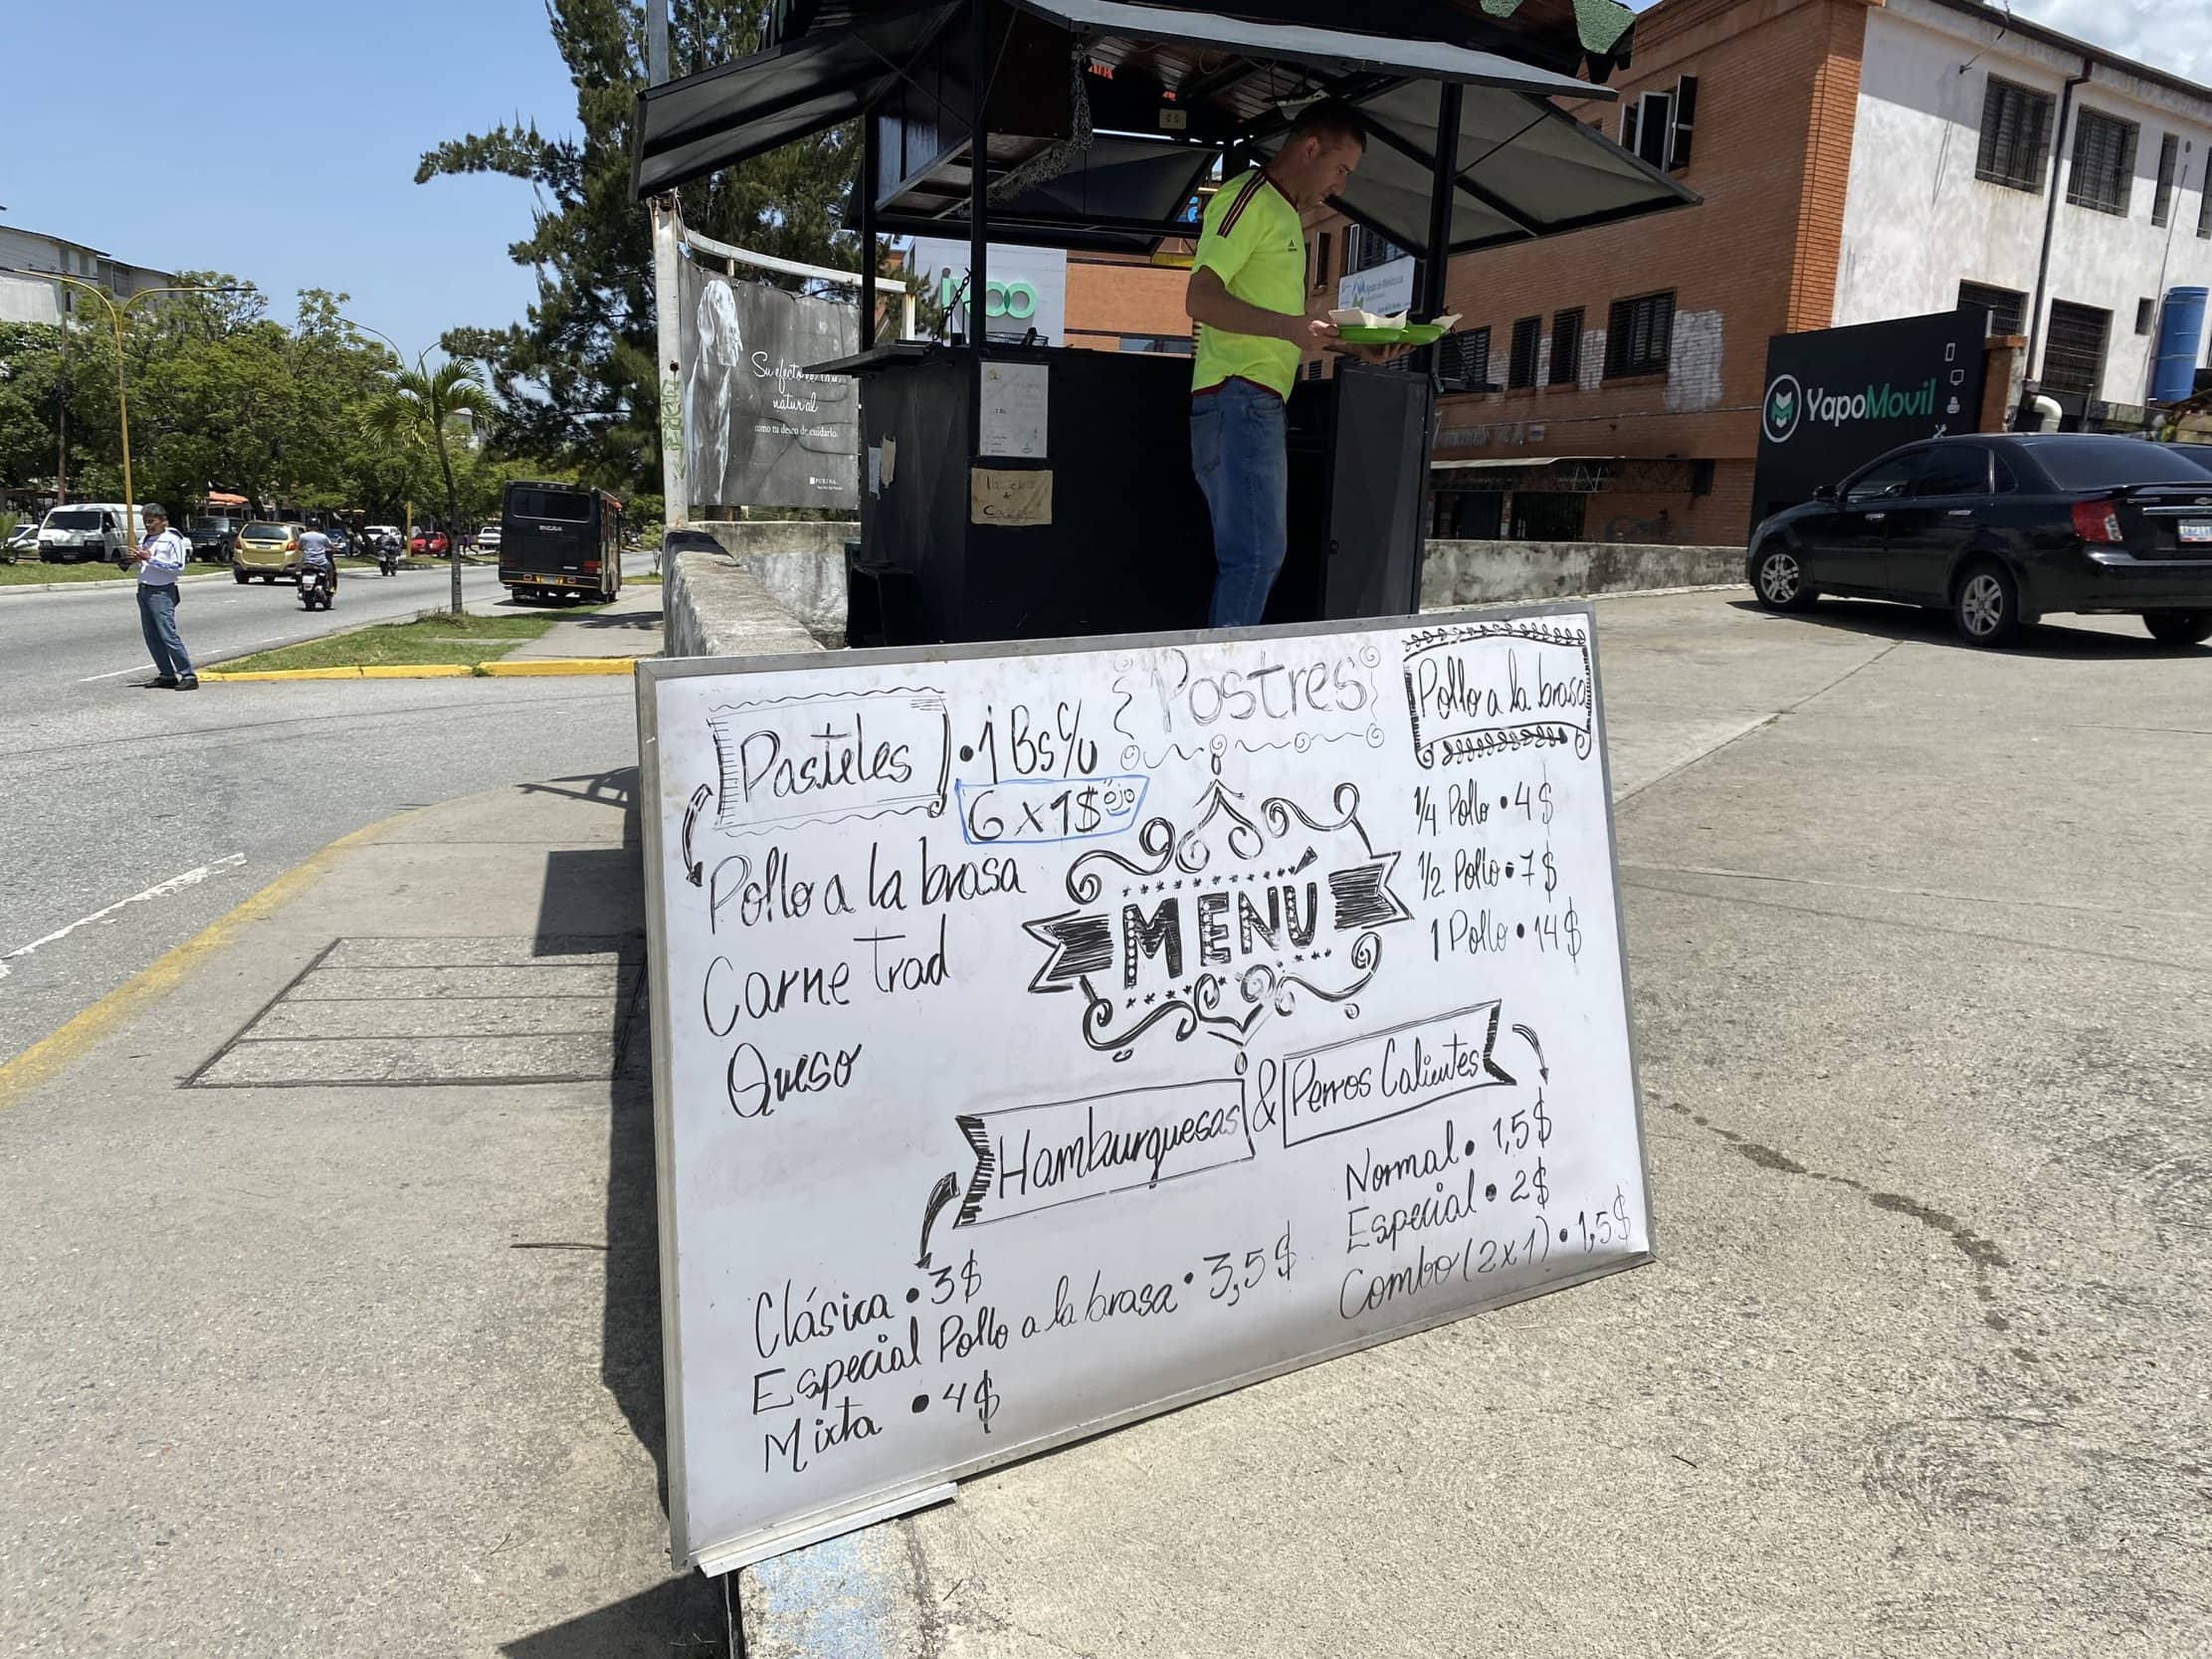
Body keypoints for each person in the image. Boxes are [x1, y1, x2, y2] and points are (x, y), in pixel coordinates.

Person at [1184, 100, 1384, 629]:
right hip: (1238, 399)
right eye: (1341, 168)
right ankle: (1224, 692)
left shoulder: (1282, 214)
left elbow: (1285, 327)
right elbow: (1199, 299)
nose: (1340, 186)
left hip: (1243, 402)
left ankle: (1221, 685)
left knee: (1252, 558)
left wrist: (1353, 345)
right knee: (1254, 558)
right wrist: (1289, 326)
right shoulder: (1248, 199)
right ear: (1310, 147)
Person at [127, 504, 196, 690]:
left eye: (152, 521)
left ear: (163, 521)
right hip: (144, 590)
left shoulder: (172, 540)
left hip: (162, 592)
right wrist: (135, 560)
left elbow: (178, 567)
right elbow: (143, 564)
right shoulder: (146, 539)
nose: (149, 525)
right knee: (152, 636)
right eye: (145, 521)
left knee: (168, 635)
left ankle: (188, 675)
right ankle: (166, 674)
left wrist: (150, 558)